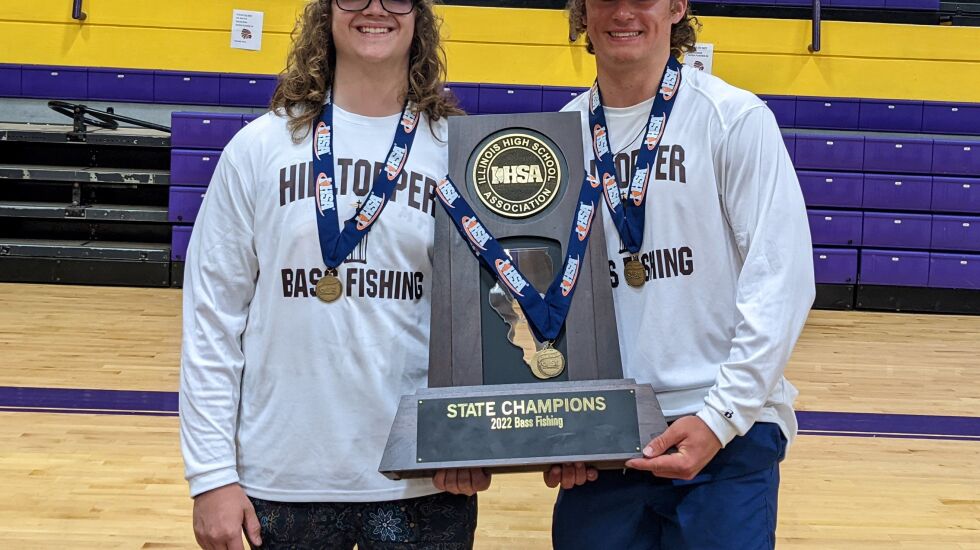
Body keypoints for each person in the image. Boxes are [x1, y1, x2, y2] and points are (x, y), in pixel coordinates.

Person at [179, 1, 488, 548]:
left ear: (418, 14)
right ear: (326, 12)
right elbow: (212, 319)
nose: (375, 9)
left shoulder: (456, 152)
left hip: (423, 477)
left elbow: (484, 315)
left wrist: (473, 438)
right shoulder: (259, 148)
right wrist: (210, 475)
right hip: (282, 479)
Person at [546, 0, 815, 548]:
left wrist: (720, 418)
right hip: (604, 437)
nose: (623, 12)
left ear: (676, 6)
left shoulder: (733, 118)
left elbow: (781, 281)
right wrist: (553, 424)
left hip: (726, 431)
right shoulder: (558, 137)